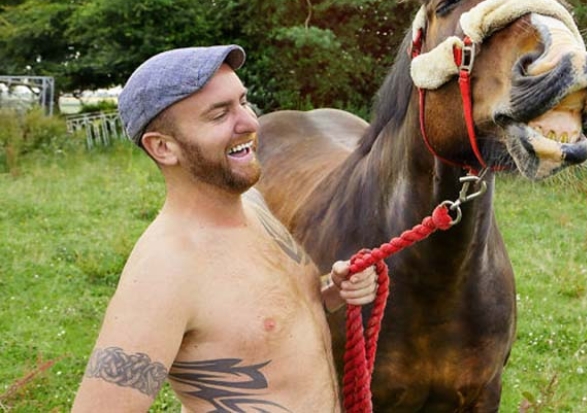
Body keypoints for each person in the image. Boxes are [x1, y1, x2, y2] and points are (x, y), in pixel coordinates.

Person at [72, 45, 377, 412]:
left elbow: (268, 322)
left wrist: (333, 291)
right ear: (164, 147)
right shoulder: (164, 274)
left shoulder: (255, 207)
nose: (250, 122)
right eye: (219, 115)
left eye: (243, 102)